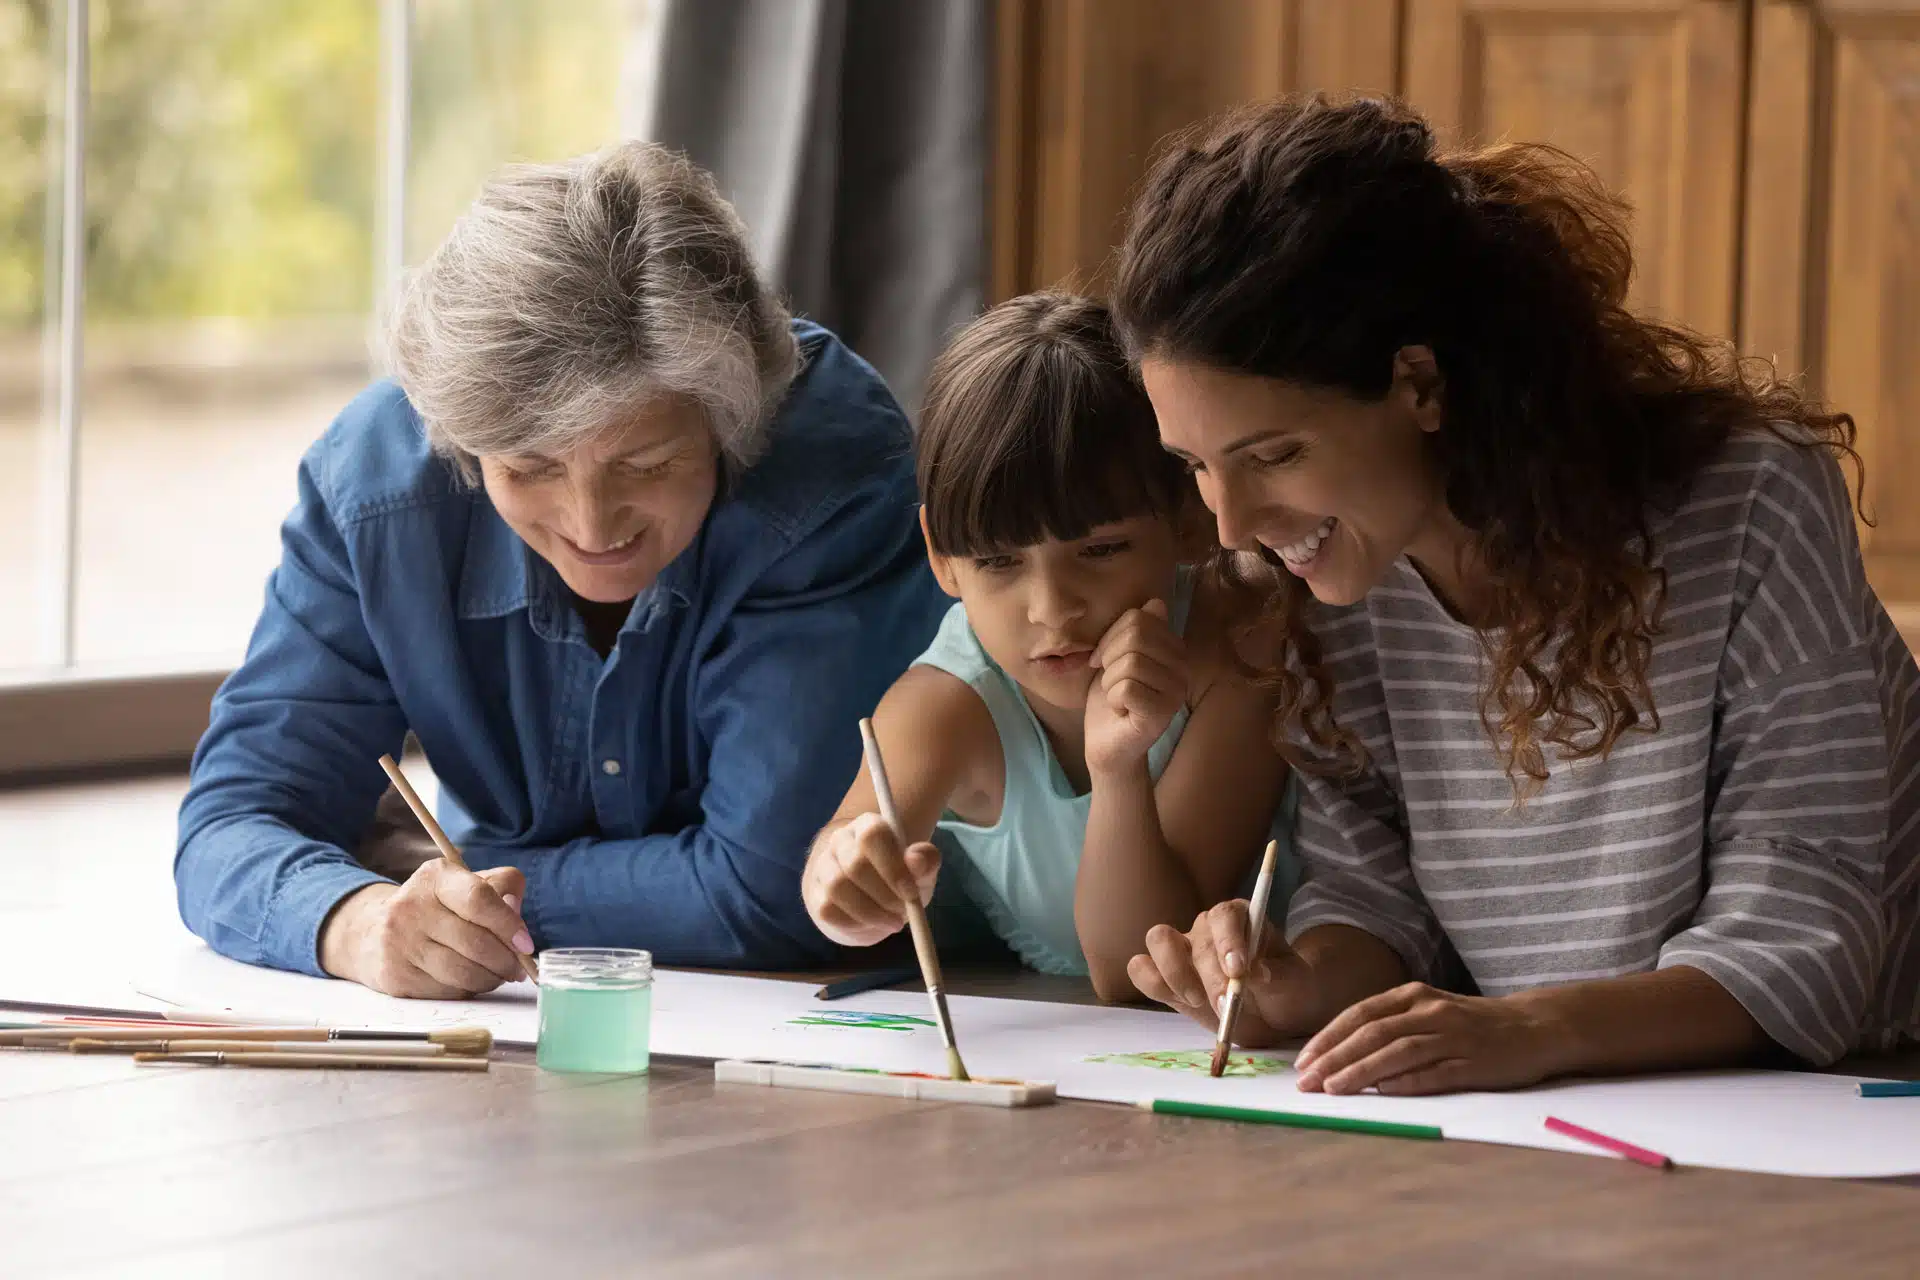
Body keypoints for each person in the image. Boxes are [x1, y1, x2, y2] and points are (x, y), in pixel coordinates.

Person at [1114, 95, 1920, 1091]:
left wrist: (1531, 1029)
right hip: (1554, 1128)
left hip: (1844, 1113)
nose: (1231, 525)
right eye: (1195, 465)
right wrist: (1296, 978)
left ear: (1418, 383)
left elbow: (1807, 946)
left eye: (1272, 454)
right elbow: (1379, 899)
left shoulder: (1751, 503)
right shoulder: (1330, 575)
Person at [175, 142, 947, 997]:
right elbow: (232, 824)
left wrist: (466, 872)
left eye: (648, 463)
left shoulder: (831, 469)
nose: (592, 526)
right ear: (465, 448)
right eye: (529, 468)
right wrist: (359, 922)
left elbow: (774, 891)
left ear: (730, 421)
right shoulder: (376, 488)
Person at [800, 293, 1296, 1000]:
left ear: (1188, 522)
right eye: (1000, 562)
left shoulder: (1233, 649)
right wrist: (847, 886)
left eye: (1100, 549)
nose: (1052, 608)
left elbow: (1141, 972)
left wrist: (1118, 766)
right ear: (943, 560)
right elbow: (850, 850)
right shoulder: (947, 704)